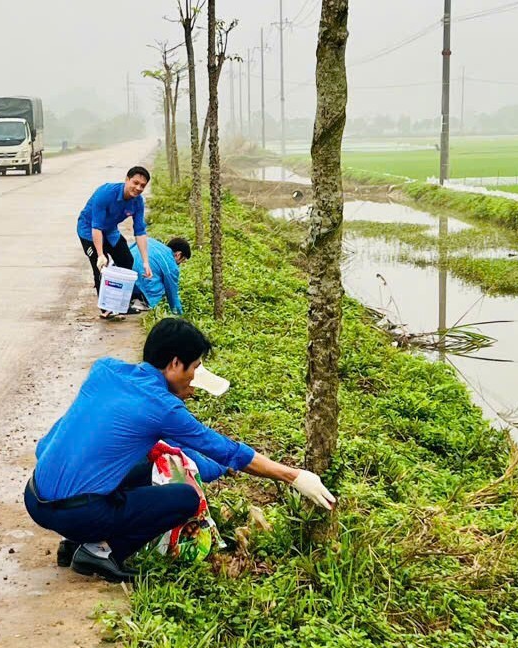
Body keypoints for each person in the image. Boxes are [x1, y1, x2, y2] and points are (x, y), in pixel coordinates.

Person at [23, 318, 336, 583]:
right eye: (195, 367)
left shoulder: (105, 370)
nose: (195, 377)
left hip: (35, 496)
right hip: (75, 510)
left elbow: (49, 445)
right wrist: (293, 476)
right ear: (174, 363)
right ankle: (97, 550)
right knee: (185, 498)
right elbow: (225, 450)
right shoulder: (163, 408)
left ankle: (76, 538)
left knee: (146, 469)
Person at [76, 166, 152, 298]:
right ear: (127, 180)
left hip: (110, 230)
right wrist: (100, 255)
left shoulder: (138, 202)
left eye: (142, 186)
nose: (138, 188)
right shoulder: (105, 194)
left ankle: (120, 300)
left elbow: (140, 232)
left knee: (126, 260)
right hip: (89, 230)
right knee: (101, 267)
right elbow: (96, 227)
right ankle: (106, 307)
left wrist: (146, 262)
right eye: (135, 183)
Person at [128, 236, 190, 315]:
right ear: (178, 254)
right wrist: (178, 313)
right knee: (160, 287)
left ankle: (132, 297)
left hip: (124, 272)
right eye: (182, 260)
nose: (179, 264)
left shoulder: (150, 241)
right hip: (139, 278)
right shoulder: (171, 265)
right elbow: (172, 292)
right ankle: (142, 302)